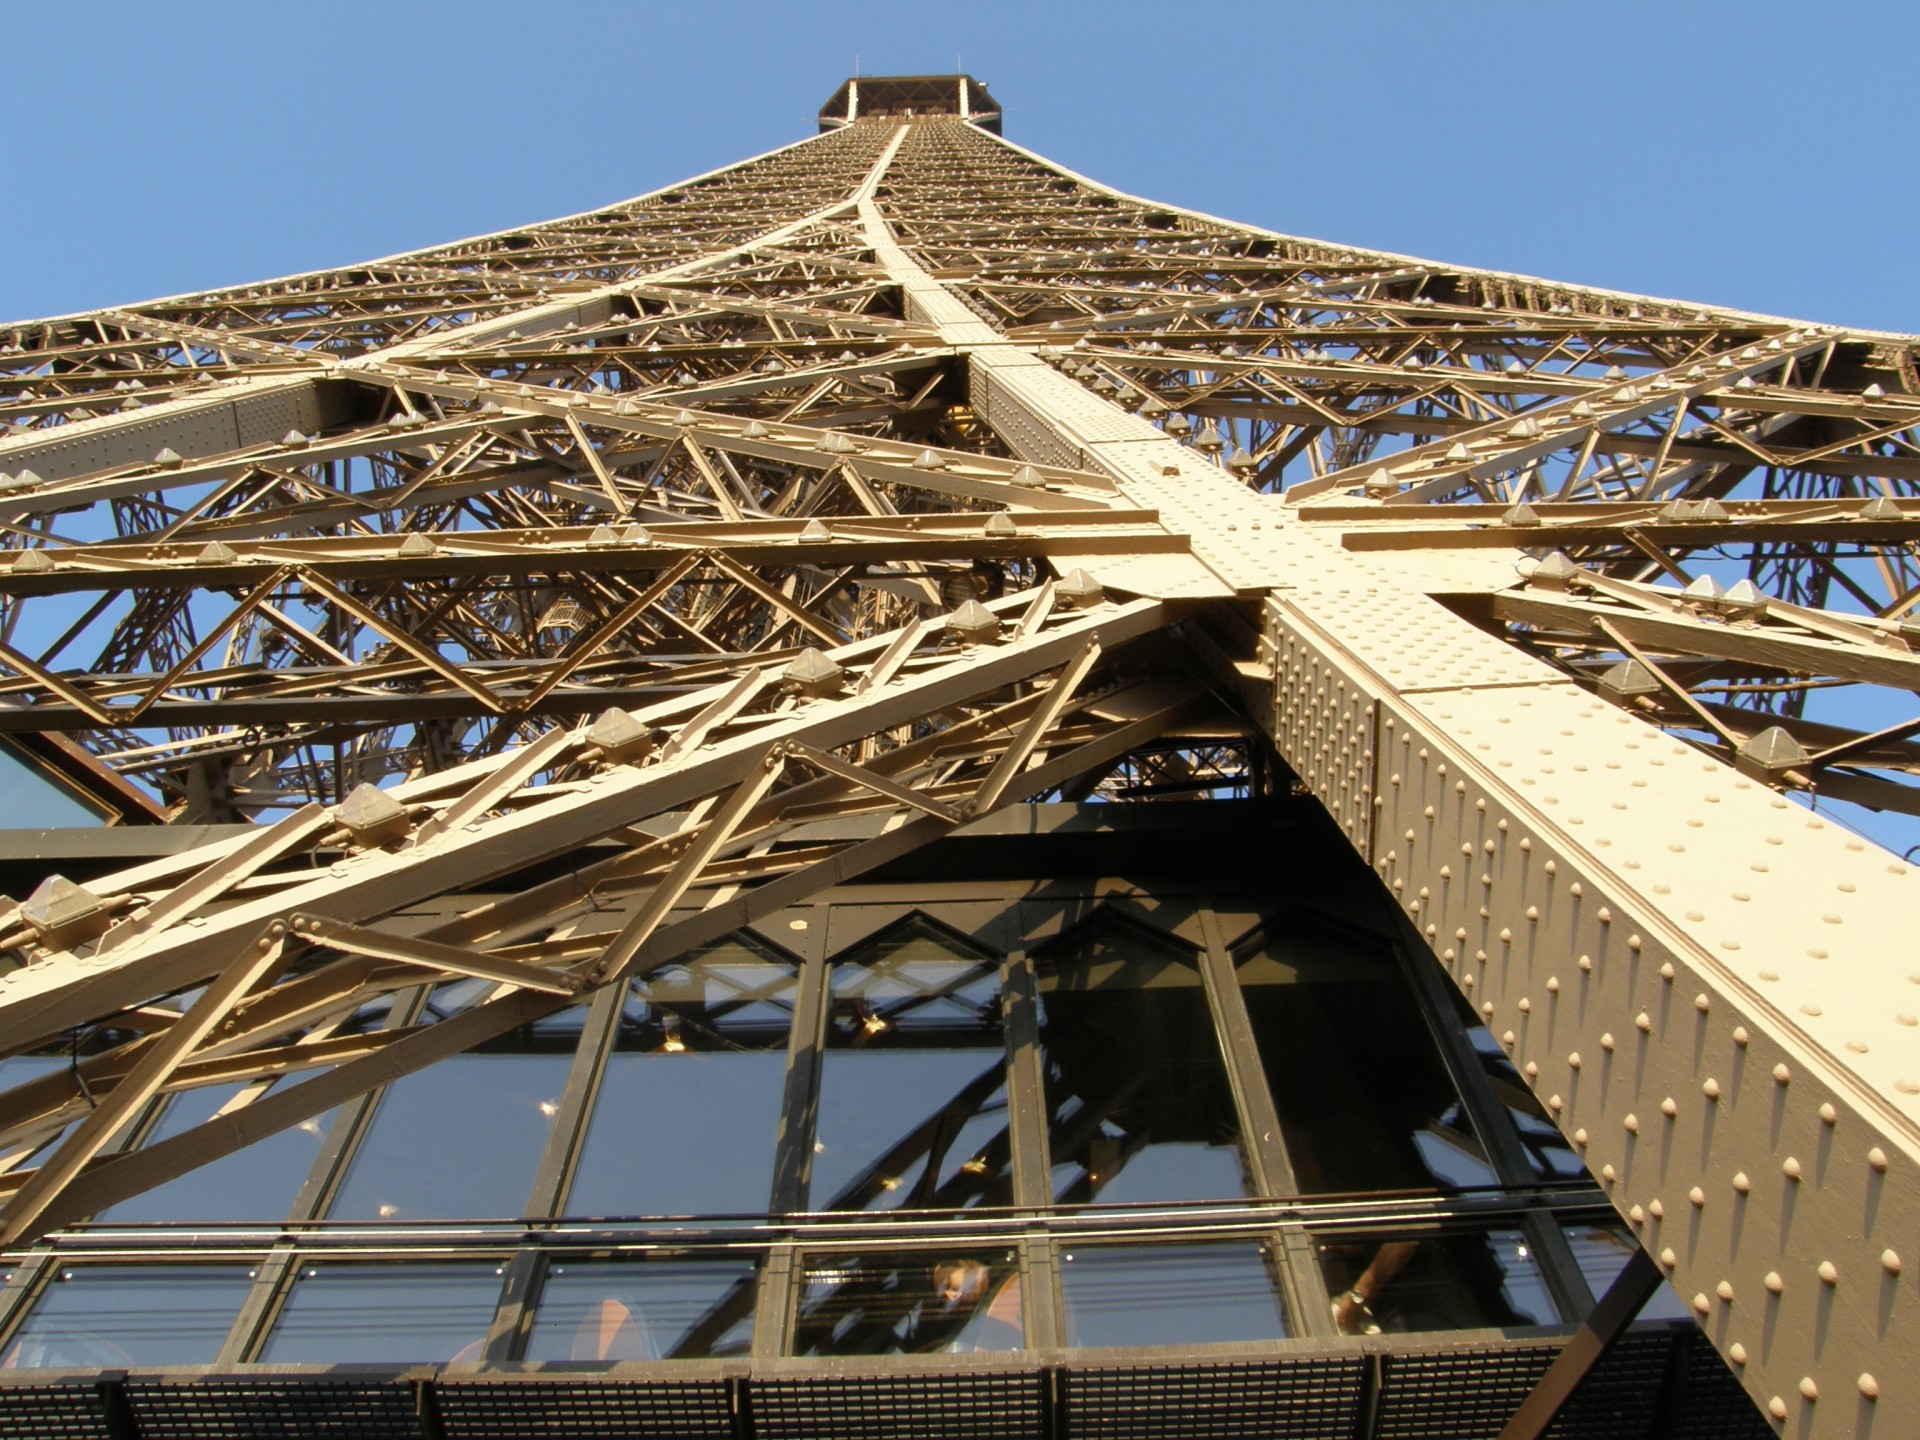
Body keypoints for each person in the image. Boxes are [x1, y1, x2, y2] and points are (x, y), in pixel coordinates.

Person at [930, 1259, 1022, 1351]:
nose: (952, 1297)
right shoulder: (972, 1320)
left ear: (967, 1263)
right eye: (945, 1297)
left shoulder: (1018, 1278)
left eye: (948, 1285)